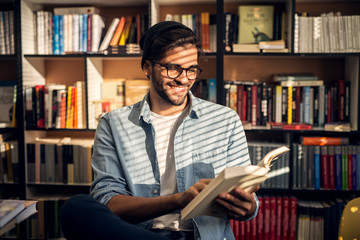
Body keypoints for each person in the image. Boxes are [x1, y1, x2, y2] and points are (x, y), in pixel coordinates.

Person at [59, 21, 259, 240]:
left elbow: (248, 204)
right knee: (77, 208)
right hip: (138, 235)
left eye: (192, 69)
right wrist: (180, 199)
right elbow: (108, 203)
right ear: (147, 67)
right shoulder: (113, 124)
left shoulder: (225, 120)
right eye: (173, 68)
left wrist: (248, 207)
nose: (184, 79)